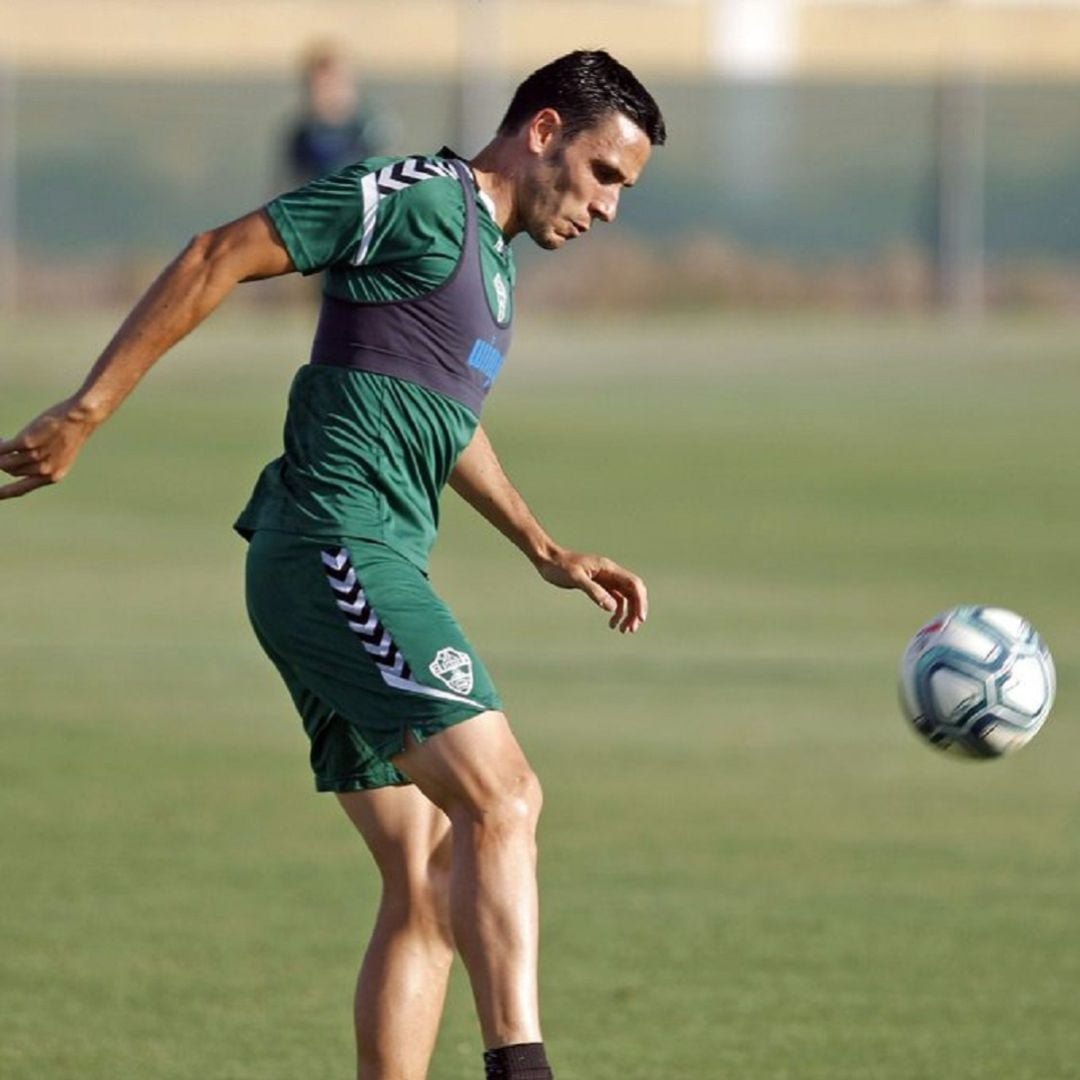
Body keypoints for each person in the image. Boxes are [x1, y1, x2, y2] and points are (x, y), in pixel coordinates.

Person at [0, 49, 666, 1080]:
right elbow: (217, 252)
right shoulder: (411, 198)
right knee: (505, 801)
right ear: (543, 132)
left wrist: (543, 547)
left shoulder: (493, 266)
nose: (611, 208)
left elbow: (444, 421)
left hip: (349, 556)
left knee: (430, 869)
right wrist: (88, 410)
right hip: (333, 545)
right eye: (606, 174)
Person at [283, 43, 391, 185]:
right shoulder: (303, 136)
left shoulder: (371, 130)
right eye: (321, 87)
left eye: (336, 84)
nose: (330, 94)